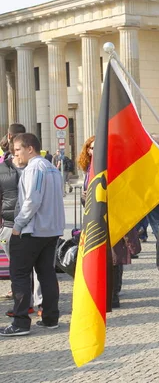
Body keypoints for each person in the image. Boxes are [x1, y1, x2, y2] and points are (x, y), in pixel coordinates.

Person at [0, 133, 65, 337]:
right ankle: (50, 318)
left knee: (19, 275)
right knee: (46, 274)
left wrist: (18, 224)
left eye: (17, 150)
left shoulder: (34, 168)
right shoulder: (52, 168)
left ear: (30, 149)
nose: (15, 154)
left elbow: (32, 200)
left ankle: (20, 322)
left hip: (33, 231)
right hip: (50, 230)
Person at [78, 136, 141, 308]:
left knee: (114, 257)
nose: (93, 150)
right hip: (94, 217)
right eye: (90, 148)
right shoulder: (89, 169)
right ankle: (105, 290)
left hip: (112, 216)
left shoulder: (111, 166)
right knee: (101, 255)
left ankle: (113, 294)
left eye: (96, 147)